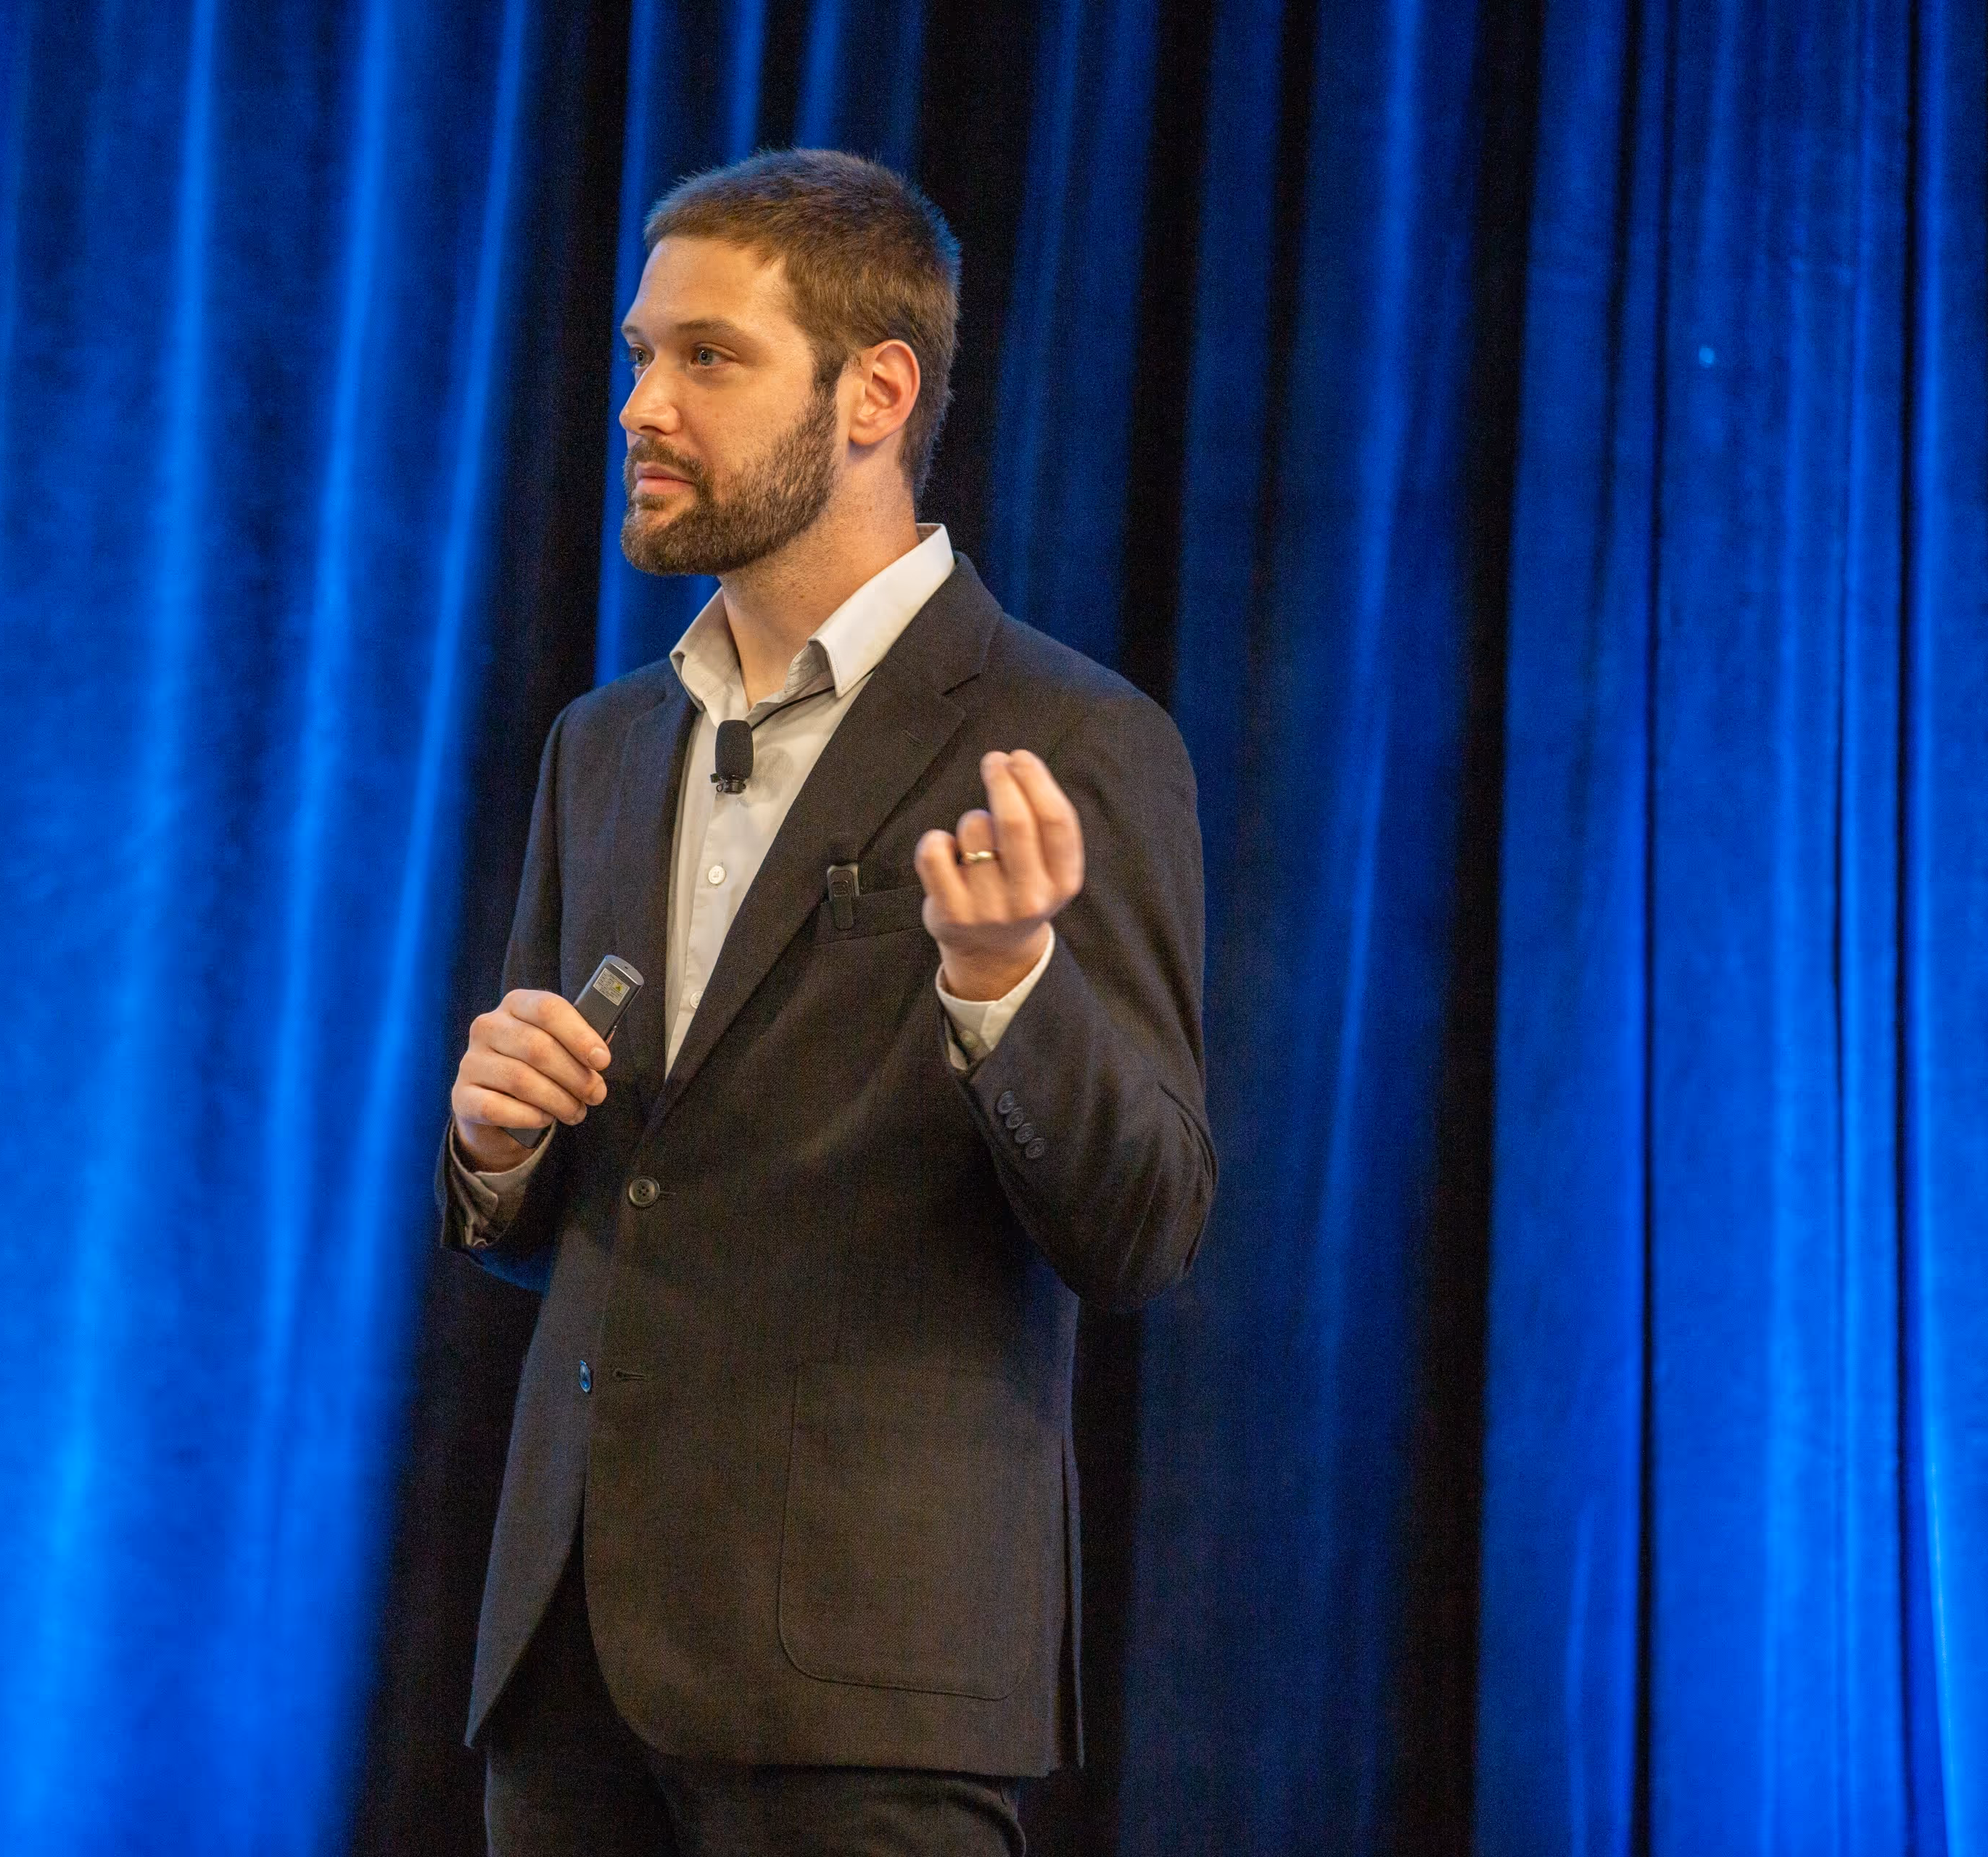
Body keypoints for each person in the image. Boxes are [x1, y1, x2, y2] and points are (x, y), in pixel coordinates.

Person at [439, 148, 1215, 1856]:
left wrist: (1010, 982)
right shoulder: (607, 742)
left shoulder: (1072, 737)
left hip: (863, 1680)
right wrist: (496, 1143)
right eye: (641, 354)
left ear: (876, 392)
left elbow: (1147, 1220)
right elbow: (580, 1198)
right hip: (569, 1673)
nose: (645, 402)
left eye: (709, 357)